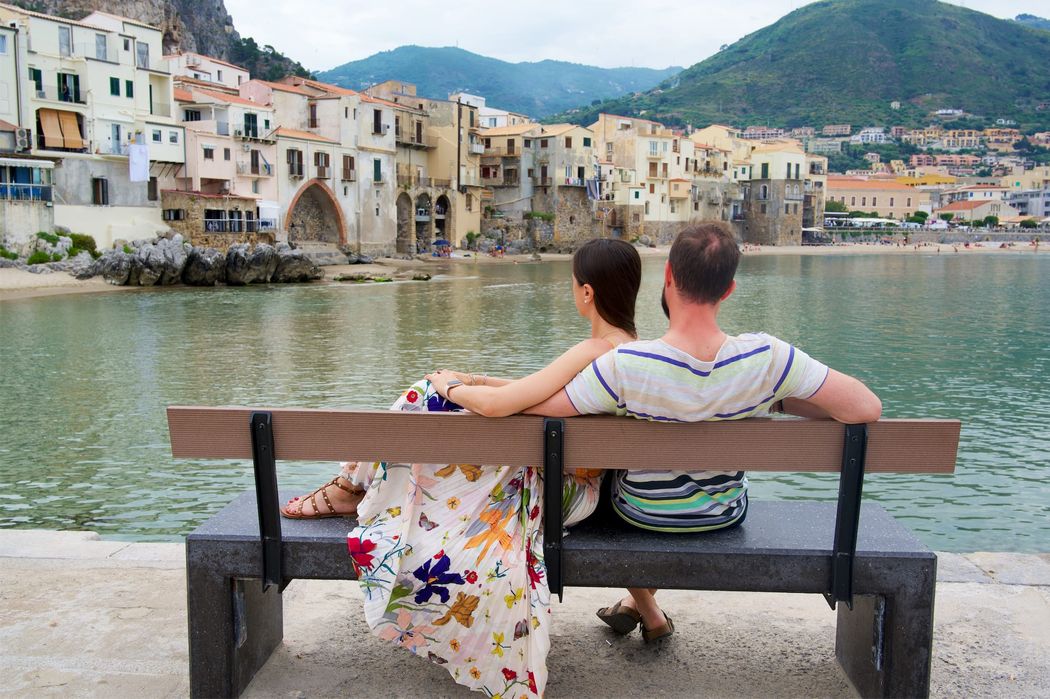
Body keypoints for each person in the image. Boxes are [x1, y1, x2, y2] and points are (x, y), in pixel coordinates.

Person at [282, 238, 642, 697]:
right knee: (443, 411)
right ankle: (357, 478)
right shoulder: (627, 350)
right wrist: (472, 379)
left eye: (573, 283)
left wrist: (450, 388)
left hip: (561, 493)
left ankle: (353, 483)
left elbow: (502, 406)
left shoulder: (594, 350)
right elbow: (539, 392)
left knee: (423, 397)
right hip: (587, 489)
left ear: (587, 293)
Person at [523, 222, 882, 643]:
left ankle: (642, 607)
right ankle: (639, 607)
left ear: (669, 276)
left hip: (641, 515)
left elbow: (538, 407)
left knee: (606, 478)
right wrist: (777, 397)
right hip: (724, 515)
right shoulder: (769, 357)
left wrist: (468, 386)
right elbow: (865, 407)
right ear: (728, 290)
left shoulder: (624, 364)